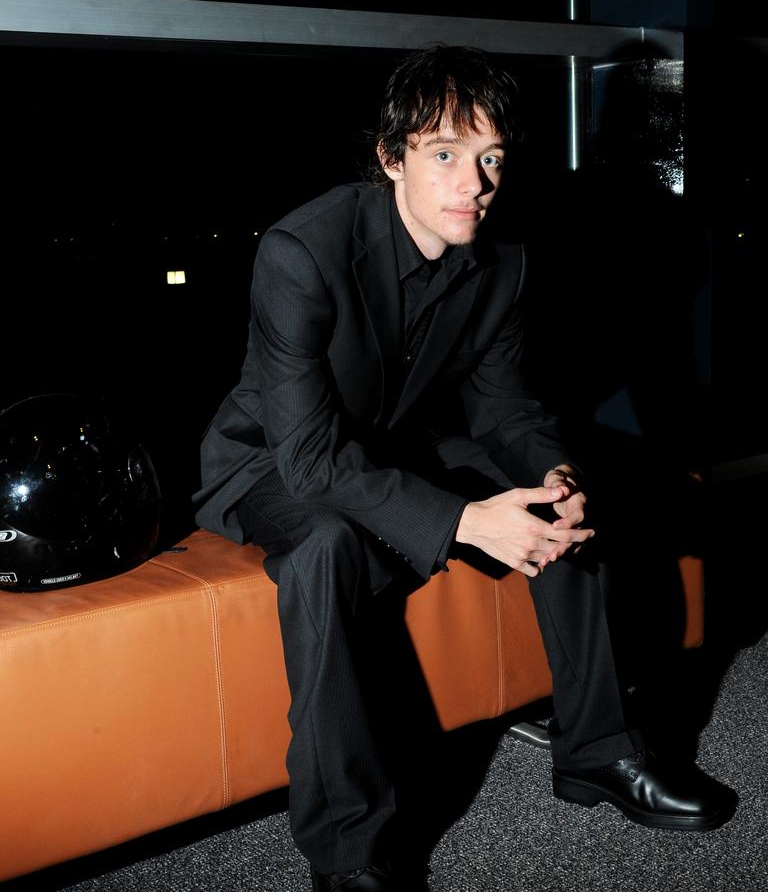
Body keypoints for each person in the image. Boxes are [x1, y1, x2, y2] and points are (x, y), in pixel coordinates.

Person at [193, 46, 734, 891]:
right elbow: (309, 456)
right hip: (273, 460)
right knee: (326, 549)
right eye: (444, 153)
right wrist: (463, 521)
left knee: (561, 495)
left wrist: (553, 476)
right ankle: (350, 852)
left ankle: (597, 749)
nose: (472, 182)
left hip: (396, 442)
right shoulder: (302, 251)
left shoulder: (502, 259)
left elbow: (505, 409)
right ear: (390, 158)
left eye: (490, 158)